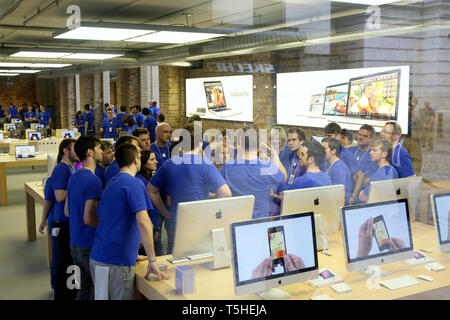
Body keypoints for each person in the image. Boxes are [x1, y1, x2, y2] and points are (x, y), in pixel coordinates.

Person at [90, 143, 169, 300]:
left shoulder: (112, 183)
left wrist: (132, 252)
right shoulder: (134, 184)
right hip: (117, 263)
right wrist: (152, 260)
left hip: (99, 257)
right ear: (135, 160)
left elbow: (109, 220)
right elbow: (144, 222)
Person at [147, 124, 232, 255]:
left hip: (177, 222)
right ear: (199, 143)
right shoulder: (205, 164)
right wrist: (212, 210)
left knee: (175, 258)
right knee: (200, 259)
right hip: (201, 222)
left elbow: (151, 190)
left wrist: (165, 212)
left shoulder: (169, 164)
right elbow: (226, 193)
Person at [65, 136, 103, 300]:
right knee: (100, 290)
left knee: (82, 291)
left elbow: (67, 211)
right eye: (99, 148)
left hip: (74, 242)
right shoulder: (94, 180)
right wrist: (106, 229)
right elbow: (89, 219)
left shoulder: (73, 176)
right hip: (89, 244)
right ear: (90, 152)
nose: (101, 151)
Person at [220, 134, 286, 219]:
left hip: (236, 220)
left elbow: (221, 192)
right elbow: (284, 177)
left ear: (240, 143)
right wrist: (273, 154)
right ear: (259, 146)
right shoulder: (268, 167)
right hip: (261, 221)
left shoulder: (227, 167)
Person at [48, 138, 78, 300]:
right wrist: (77, 187)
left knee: (67, 260)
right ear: (65, 151)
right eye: (74, 149)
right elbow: (59, 196)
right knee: (61, 261)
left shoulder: (71, 169)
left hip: (68, 222)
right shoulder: (61, 169)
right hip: (60, 222)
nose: (77, 152)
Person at [136, 150, 163, 256]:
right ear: (143, 163)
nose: (156, 162)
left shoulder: (148, 178)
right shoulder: (140, 181)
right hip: (150, 227)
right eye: (152, 159)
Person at [347, 124, 379, 204]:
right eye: (359, 135)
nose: (360, 138)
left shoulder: (373, 155)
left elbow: (366, 181)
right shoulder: (350, 150)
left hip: (360, 198)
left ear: (372, 139)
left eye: (365, 136)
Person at [38, 176, 57, 294]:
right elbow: (48, 200)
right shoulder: (55, 179)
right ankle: (55, 286)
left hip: (61, 222)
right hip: (56, 221)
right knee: (57, 255)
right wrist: (43, 220)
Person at [322, 137, 352, 205]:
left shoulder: (339, 169)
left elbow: (338, 195)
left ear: (333, 151)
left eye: (324, 149)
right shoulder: (331, 165)